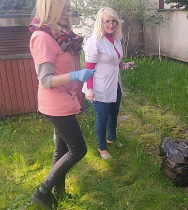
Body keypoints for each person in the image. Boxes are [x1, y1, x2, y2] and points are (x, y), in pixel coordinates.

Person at [29, 0, 95, 209]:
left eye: (69, 9)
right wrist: (75, 75)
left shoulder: (62, 36)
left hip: (66, 100)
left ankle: (59, 193)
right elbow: (46, 80)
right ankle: (42, 191)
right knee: (78, 149)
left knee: (61, 150)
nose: (69, 13)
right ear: (52, 10)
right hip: (56, 104)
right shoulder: (42, 37)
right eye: (64, 10)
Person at [82, 7, 135, 159]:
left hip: (114, 83)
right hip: (99, 86)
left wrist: (122, 65)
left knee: (114, 113)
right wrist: (90, 89)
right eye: (107, 22)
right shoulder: (94, 42)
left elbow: (112, 61)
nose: (111, 25)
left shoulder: (116, 38)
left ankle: (111, 139)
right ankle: (102, 148)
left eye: (114, 22)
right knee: (102, 117)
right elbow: (89, 69)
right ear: (100, 23)